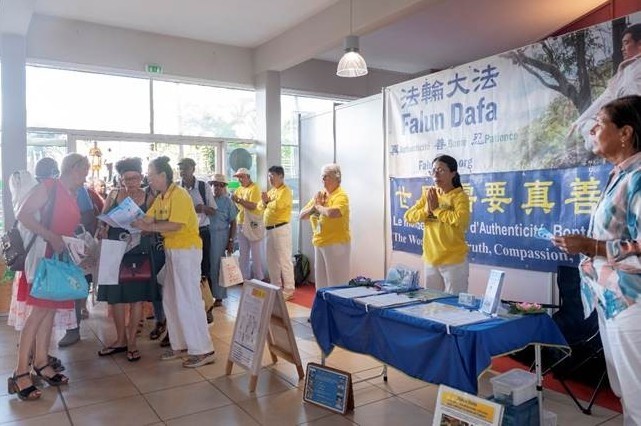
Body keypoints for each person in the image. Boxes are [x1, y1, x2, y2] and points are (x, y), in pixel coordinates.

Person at [552, 95, 641, 424]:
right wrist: (588, 246)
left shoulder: (639, 177)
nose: (592, 130)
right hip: (612, 301)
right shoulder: (620, 174)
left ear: (625, 133)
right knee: (627, 394)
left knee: (638, 396)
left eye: (599, 124)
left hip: (632, 303)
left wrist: (591, 245)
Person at [9, 153, 90, 401]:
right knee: (38, 313)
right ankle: (20, 372)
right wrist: (51, 236)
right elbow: (23, 214)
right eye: (84, 172)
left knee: (49, 311)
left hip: (57, 258)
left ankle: (42, 362)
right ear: (73, 169)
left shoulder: (70, 193)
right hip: (42, 257)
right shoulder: (50, 187)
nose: (85, 177)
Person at [132, 156, 216, 368]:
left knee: (189, 299)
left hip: (186, 251)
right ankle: (181, 345)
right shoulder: (161, 197)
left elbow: (176, 225)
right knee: (170, 298)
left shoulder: (179, 194)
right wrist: (132, 221)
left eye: (151, 175)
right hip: (172, 251)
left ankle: (203, 349)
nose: (148, 179)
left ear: (163, 175)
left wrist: (148, 227)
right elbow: (147, 218)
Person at [96, 157, 160, 362]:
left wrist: (144, 228)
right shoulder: (114, 194)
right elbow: (103, 219)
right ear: (120, 179)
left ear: (141, 177)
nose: (130, 183)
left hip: (137, 249)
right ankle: (120, 339)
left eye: (134, 178)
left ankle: (132, 342)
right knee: (115, 297)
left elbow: (155, 224)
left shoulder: (149, 197)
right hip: (114, 248)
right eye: (126, 179)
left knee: (136, 297)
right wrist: (102, 229)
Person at [403, 155, 470, 294]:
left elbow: (461, 220)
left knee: (453, 303)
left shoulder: (459, 196)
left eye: (441, 170)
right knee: (431, 301)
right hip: (431, 258)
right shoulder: (430, 194)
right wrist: (426, 210)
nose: (436, 174)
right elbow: (408, 216)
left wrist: (437, 210)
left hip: (453, 260)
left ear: (453, 173)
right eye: (433, 170)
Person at [571, 24, 641, 149]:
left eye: (626, 43)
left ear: (640, 44)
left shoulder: (633, 71)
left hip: (632, 127)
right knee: (587, 126)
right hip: (625, 128)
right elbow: (605, 97)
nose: (622, 49)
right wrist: (579, 122)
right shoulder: (626, 71)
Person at [299, 164, 351, 289]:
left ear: (336, 178)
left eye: (326, 176)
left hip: (336, 244)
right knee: (321, 282)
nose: (322, 179)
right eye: (322, 176)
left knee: (336, 282)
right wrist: (314, 207)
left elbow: (333, 213)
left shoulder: (341, 195)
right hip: (319, 242)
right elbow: (302, 215)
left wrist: (318, 207)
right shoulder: (320, 195)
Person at [262, 166, 295, 300]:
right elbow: (260, 206)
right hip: (269, 229)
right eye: (269, 176)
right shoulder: (272, 191)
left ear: (281, 176)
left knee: (284, 260)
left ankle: (289, 289)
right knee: (272, 260)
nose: (270, 179)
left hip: (281, 229)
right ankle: (275, 287)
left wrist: (267, 202)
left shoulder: (285, 191)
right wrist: (266, 202)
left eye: (273, 176)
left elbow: (278, 205)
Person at [207, 173, 238, 305]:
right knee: (207, 265)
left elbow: (233, 222)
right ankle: (207, 295)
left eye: (220, 185)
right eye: (214, 185)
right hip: (206, 235)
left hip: (220, 236)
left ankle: (219, 296)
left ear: (224, 187)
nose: (217, 187)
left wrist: (231, 241)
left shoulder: (228, 202)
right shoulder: (208, 200)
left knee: (218, 266)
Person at [230, 167, 265, 281]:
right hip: (241, 222)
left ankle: (259, 278)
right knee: (243, 253)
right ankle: (244, 278)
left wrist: (238, 200)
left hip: (253, 223)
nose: (239, 179)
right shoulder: (239, 189)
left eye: (242, 177)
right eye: (238, 177)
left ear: (248, 177)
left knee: (256, 253)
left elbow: (253, 206)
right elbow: (236, 207)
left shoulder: (255, 188)